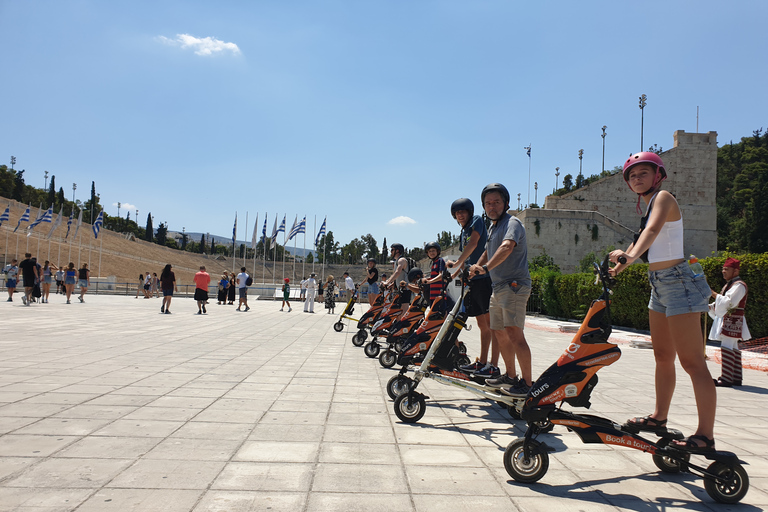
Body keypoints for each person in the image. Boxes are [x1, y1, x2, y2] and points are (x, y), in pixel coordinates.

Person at [609, 152, 716, 453]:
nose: (637, 179)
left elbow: (652, 232)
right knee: (662, 357)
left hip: (679, 281)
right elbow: (639, 237)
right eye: (632, 176)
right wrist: (618, 265)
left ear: (658, 176)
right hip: (660, 284)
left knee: (692, 362)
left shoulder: (664, 198)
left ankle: (705, 436)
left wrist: (628, 258)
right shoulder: (648, 206)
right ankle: (658, 418)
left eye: (643, 173)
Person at [469, 183, 533, 397]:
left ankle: (527, 383)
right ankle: (511, 376)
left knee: (515, 333)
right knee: (499, 332)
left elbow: (506, 247)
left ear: (506, 203)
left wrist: (485, 268)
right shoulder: (493, 227)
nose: (492, 206)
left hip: (514, 285)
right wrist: (476, 268)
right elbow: (488, 251)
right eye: (488, 203)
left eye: (496, 202)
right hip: (498, 287)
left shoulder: (511, 223)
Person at [447, 198, 499, 380]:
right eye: (457, 213)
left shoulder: (476, 220)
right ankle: (482, 362)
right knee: (482, 324)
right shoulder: (462, 232)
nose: (460, 215)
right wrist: (454, 274)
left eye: (463, 211)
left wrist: (458, 262)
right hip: (473, 281)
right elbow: (467, 259)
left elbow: (475, 244)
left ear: (469, 212)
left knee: (491, 325)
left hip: (484, 278)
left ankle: (493, 365)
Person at [708, 257, 749, 387]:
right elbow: (722, 302)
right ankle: (736, 377)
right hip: (732, 319)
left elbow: (728, 302)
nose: (723, 271)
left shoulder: (739, 286)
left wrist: (712, 293)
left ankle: (726, 378)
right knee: (733, 346)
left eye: (726, 269)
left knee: (727, 345)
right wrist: (709, 307)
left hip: (733, 320)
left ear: (735, 271)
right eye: (723, 269)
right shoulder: (731, 284)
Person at [380, 243, 412, 314]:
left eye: (392, 250)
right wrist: (390, 285)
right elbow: (398, 277)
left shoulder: (401, 260)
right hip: (400, 289)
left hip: (405, 289)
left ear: (397, 251)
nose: (390, 252)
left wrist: (387, 282)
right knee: (399, 311)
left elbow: (397, 273)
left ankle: (404, 325)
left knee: (403, 310)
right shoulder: (397, 261)